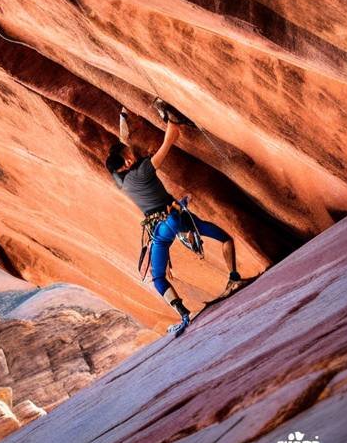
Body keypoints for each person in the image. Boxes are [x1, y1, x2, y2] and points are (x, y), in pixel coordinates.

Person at [105, 102, 245, 335]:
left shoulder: (120, 180)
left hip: (158, 230)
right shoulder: (144, 170)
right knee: (224, 238)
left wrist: (123, 116)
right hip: (175, 217)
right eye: (128, 155)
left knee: (158, 277)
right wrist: (169, 117)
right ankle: (233, 277)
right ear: (127, 162)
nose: (131, 153)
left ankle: (183, 313)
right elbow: (171, 137)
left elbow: (123, 142)